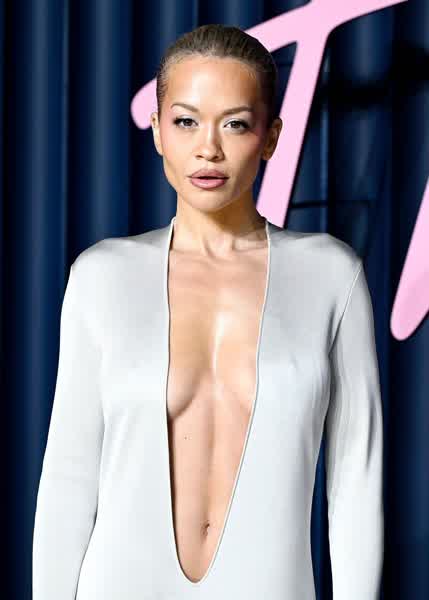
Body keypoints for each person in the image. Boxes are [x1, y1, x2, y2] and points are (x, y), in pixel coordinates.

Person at [32, 23, 384, 600]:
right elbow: (68, 477)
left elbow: (355, 480)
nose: (208, 148)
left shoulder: (330, 275)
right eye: (186, 121)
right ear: (157, 131)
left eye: (236, 123)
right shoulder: (102, 276)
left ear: (271, 136)